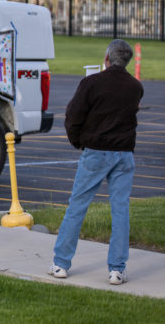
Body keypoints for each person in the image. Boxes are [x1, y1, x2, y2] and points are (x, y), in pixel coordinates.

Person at [48, 39, 144, 285]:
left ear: (107, 58)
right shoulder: (135, 87)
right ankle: (117, 269)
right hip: (124, 153)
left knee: (77, 206)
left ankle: (61, 263)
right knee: (120, 210)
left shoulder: (91, 83)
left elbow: (73, 116)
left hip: (96, 152)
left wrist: (78, 141)